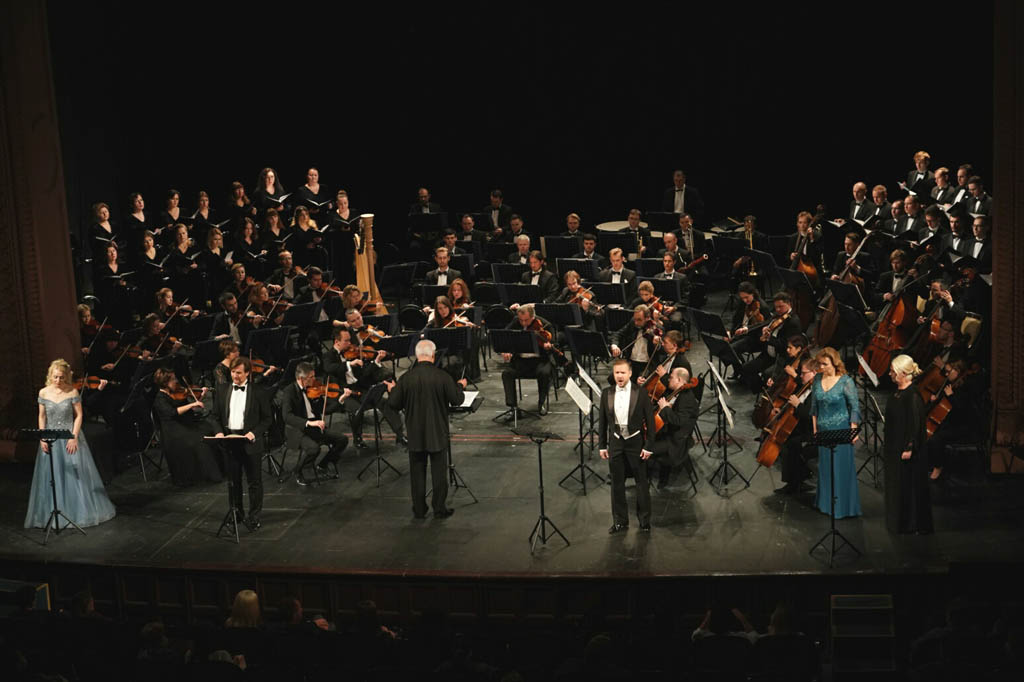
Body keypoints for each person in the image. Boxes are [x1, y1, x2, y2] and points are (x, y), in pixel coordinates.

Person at [25, 359, 116, 529]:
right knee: (53, 476)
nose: (58, 380)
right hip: (51, 438)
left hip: (69, 436)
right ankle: (54, 511)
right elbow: (42, 416)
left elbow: (79, 415)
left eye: (61, 377)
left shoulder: (72, 392)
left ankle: (77, 512)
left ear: (66, 376)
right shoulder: (43, 392)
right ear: (50, 376)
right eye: (55, 377)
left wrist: (73, 437)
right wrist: (42, 437)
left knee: (74, 476)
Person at [387, 339, 467, 519]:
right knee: (439, 473)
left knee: (417, 473)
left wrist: (393, 390)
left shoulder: (406, 378)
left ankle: (419, 509)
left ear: (417, 356)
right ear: (433, 355)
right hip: (437, 431)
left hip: (415, 433)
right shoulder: (442, 376)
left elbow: (393, 404)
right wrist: (460, 385)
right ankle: (439, 508)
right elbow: (457, 400)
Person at [212, 357, 274, 531]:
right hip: (230, 441)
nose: (235, 376)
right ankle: (236, 514)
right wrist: (218, 432)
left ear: (247, 373)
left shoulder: (259, 392)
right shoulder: (222, 390)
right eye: (233, 372)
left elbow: (267, 419)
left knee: (254, 482)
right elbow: (215, 416)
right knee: (234, 481)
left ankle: (254, 517)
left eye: (239, 372)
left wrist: (253, 433)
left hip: (250, 441)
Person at [599, 358, 656, 533]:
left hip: (635, 442)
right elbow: (602, 422)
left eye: (623, 372)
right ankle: (620, 521)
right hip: (616, 442)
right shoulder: (606, 393)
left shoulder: (641, 392)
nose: (620, 376)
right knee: (617, 484)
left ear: (630, 373)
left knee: (641, 482)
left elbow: (651, 422)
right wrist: (602, 445)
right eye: (617, 372)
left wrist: (648, 446)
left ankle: (644, 521)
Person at [808, 347, 861, 518]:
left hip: (841, 431)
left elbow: (854, 407)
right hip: (823, 431)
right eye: (820, 364)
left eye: (825, 364)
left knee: (840, 469)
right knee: (826, 469)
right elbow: (814, 408)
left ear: (834, 363)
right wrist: (815, 430)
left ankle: (843, 507)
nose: (821, 367)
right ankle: (826, 505)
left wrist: (853, 430)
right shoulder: (817, 379)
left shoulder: (845, 381)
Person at [276, 362, 349, 485]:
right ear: (301, 378)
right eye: (311, 377)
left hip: (314, 427)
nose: (314, 379)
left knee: (342, 440)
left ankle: (322, 464)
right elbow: (287, 417)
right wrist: (308, 423)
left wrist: (340, 400)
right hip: (296, 430)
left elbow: (325, 410)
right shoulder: (289, 391)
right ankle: (297, 471)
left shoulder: (313, 390)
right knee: (314, 449)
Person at [884, 355, 932, 534]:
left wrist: (909, 447)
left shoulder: (912, 395)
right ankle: (898, 521)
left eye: (893, 371)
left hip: (906, 449)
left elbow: (915, 424)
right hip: (894, 445)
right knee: (896, 484)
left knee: (907, 485)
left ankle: (910, 523)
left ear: (903, 373)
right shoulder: (897, 393)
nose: (890, 374)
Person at [151, 368, 222, 487]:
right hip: (173, 430)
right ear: (165, 383)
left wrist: (201, 397)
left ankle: (218, 469)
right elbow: (173, 412)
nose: (176, 381)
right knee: (199, 440)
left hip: (185, 424)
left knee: (208, 429)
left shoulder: (175, 392)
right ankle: (208, 475)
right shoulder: (159, 398)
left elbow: (192, 408)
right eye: (173, 379)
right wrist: (192, 404)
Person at [500, 304, 557, 416]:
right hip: (521, 361)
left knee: (544, 373)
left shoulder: (545, 325)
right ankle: (513, 407)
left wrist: (549, 346)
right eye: (521, 320)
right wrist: (505, 350)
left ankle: (541, 403)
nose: (523, 323)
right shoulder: (516, 322)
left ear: (533, 317)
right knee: (507, 373)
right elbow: (505, 337)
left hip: (540, 360)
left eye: (526, 320)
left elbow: (555, 344)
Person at [652, 367, 699, 489]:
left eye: (671, 377)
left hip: (675, 441)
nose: (669, 379)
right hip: (670, 432)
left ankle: (643, 478)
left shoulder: (686, 398)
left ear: (679, 380)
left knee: (646, 448)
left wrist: (665, 408)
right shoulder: (678, 391)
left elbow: (679, 421)